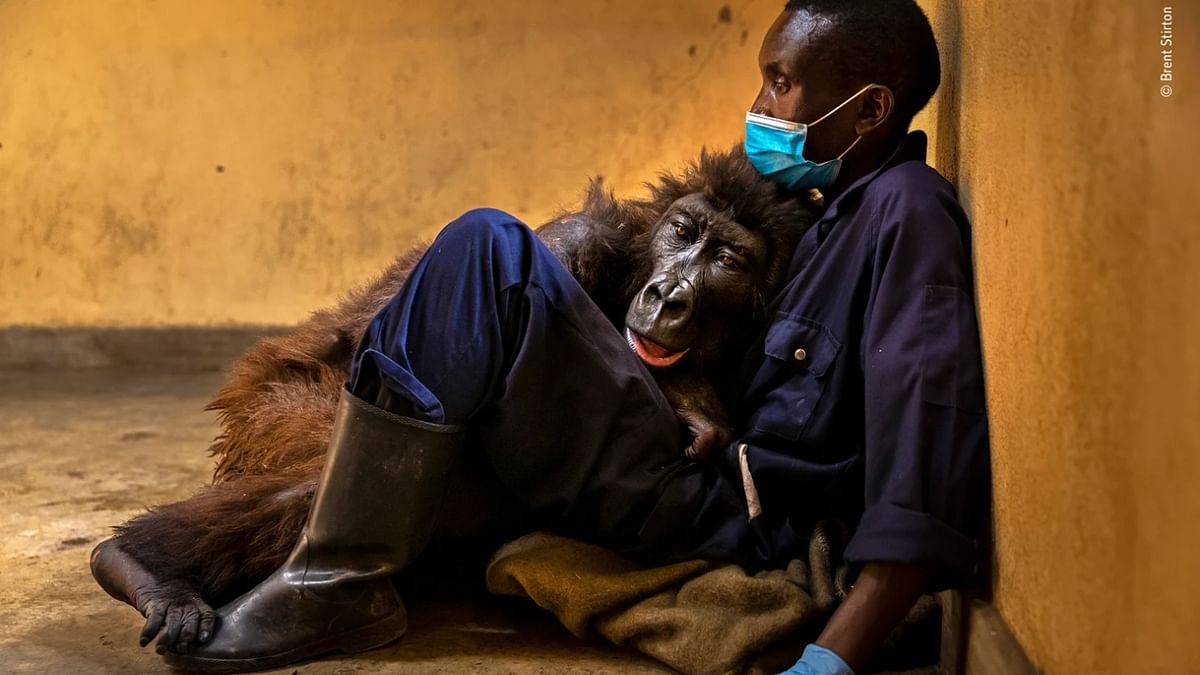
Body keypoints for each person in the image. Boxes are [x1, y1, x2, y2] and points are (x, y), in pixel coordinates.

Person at [164, 1, 990, 673]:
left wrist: (831, 659)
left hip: (715, 509)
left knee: (491, 249)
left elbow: (925, 434)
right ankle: (329, 558)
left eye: (780, 84)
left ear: (871, 108)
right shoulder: (813, 218)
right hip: (674, 454)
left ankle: (336, 579)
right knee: (500, 263)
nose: (759, 109)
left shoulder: (904, 213)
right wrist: (681, 388)